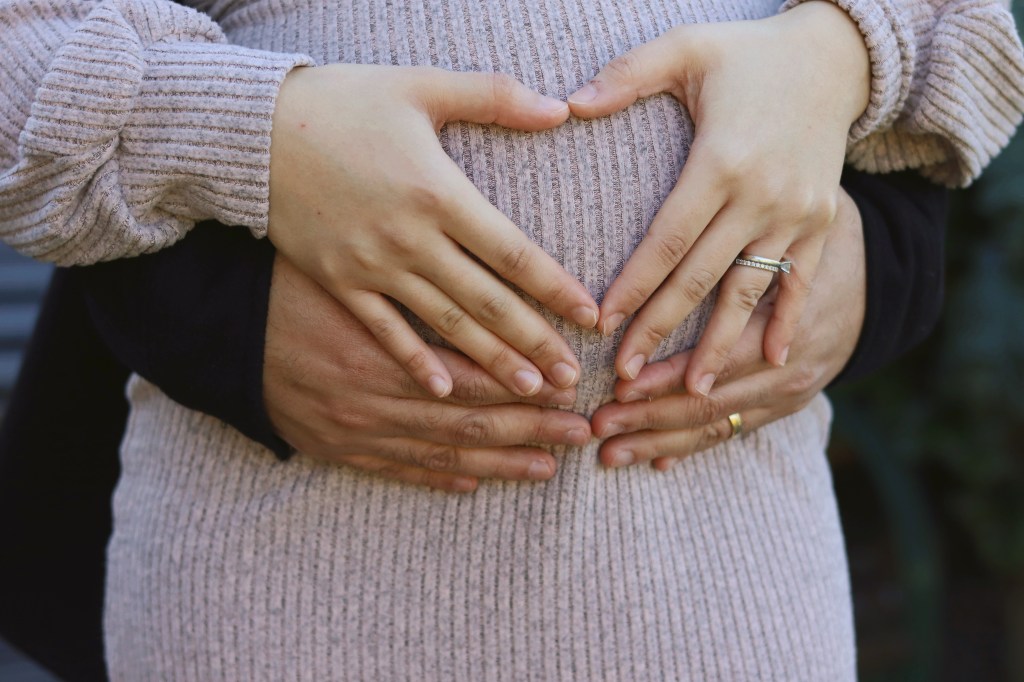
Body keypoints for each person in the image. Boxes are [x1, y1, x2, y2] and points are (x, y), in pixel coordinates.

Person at [0, 0, 1021, 679]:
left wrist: (842, 55)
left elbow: (961, 34)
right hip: (283, 591)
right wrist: (257, 133)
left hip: (722, 584)